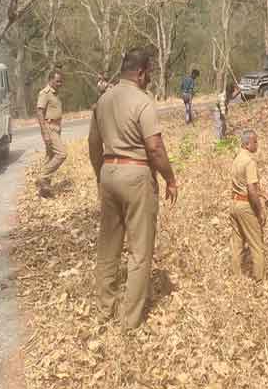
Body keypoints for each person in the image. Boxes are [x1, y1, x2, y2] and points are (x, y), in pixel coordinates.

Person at [88, 48, 179, 329]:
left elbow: (93, 143)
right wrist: (170, 178)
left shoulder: (103, 100)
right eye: (149, 72)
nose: (149, 77)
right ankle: (130, 320)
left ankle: (106, 309)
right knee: (140, 250)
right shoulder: (142, 101)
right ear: (140, 73)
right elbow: (154, 147)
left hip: (108, 172)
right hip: (136, 174)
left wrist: (100, 174)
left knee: (108, 247)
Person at [230, 129, 268, 282]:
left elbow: (242, 184)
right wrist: (260, 210)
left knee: (237, 244)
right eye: (255, 141)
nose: (257, 144)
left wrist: (263, 194)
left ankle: (236, 279)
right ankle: (260, 281)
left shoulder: (237, 159)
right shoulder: (249, 162)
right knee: (256, 244)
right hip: (245, 205)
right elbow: (251, 190)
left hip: (234, 204)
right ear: (247, 144)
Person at [36, 70, 67, 197]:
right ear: (50, 79)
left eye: (61, 81)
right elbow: (39, 112)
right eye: (57, 81)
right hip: (49, 127)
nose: (60, 83)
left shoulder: (55, 94)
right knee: (62, 154)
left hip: (56, 127)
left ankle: (45, 189)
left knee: (50, 156)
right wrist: (45, 133)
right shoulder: (45, 93)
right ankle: (42, 177)